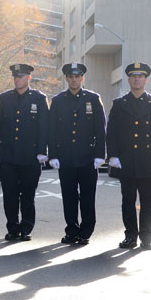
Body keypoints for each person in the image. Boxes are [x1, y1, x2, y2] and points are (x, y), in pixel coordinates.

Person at [107, 62, 151, 250]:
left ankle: (146, 237)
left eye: (140, 76)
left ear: (146, 79)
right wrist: (113, 156)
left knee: (147, 202)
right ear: (128, 79)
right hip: (126, 161)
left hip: (149, 161)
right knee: (127, 201)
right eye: (133, 76)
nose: (137, 79)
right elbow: (111, 132)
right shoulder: (119, 104)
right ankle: (130, 236)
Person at [48, 63, 106, 245]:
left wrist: (100, 155)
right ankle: (71, 230)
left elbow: (100, 129)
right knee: (69, 197)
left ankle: (86, 231)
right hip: (65, 158)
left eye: (77, 76)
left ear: (82, 78)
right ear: (66, 78)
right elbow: (52, 130)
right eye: (70, 76)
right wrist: (53, 155)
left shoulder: (93, 98)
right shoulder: (58, 100)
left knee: (88, 197)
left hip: (88, 157)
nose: (74, 79)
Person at [0, 64, 49, 241]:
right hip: (9, 156)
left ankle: (26, 227)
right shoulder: (5, 98)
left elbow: (44, 127)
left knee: (28, 195)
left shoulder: (39, 98)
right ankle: (12, 227)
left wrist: (41, 151)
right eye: (15, 76)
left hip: (30, 157)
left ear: (29, 78)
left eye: (21, 76)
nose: (18, 79)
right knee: (9, 195)